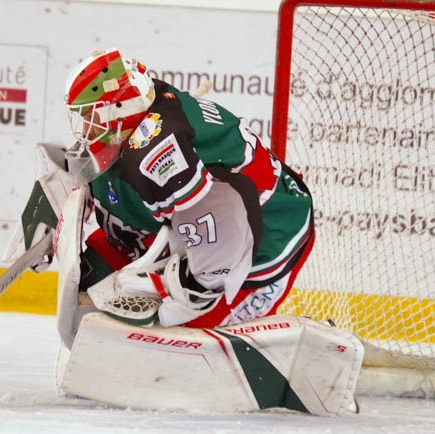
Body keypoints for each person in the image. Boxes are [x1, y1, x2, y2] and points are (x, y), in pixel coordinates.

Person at [24, 48, 314, 329]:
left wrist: (189, 289)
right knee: (93, 277)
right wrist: (60, 203)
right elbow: (95, 167)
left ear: (121, 108)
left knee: (182, 333)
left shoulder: (161, 153)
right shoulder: (134, 119)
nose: (86, 125)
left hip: (262, 242)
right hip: (196, 228)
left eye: (91, 115)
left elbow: (221, 222)